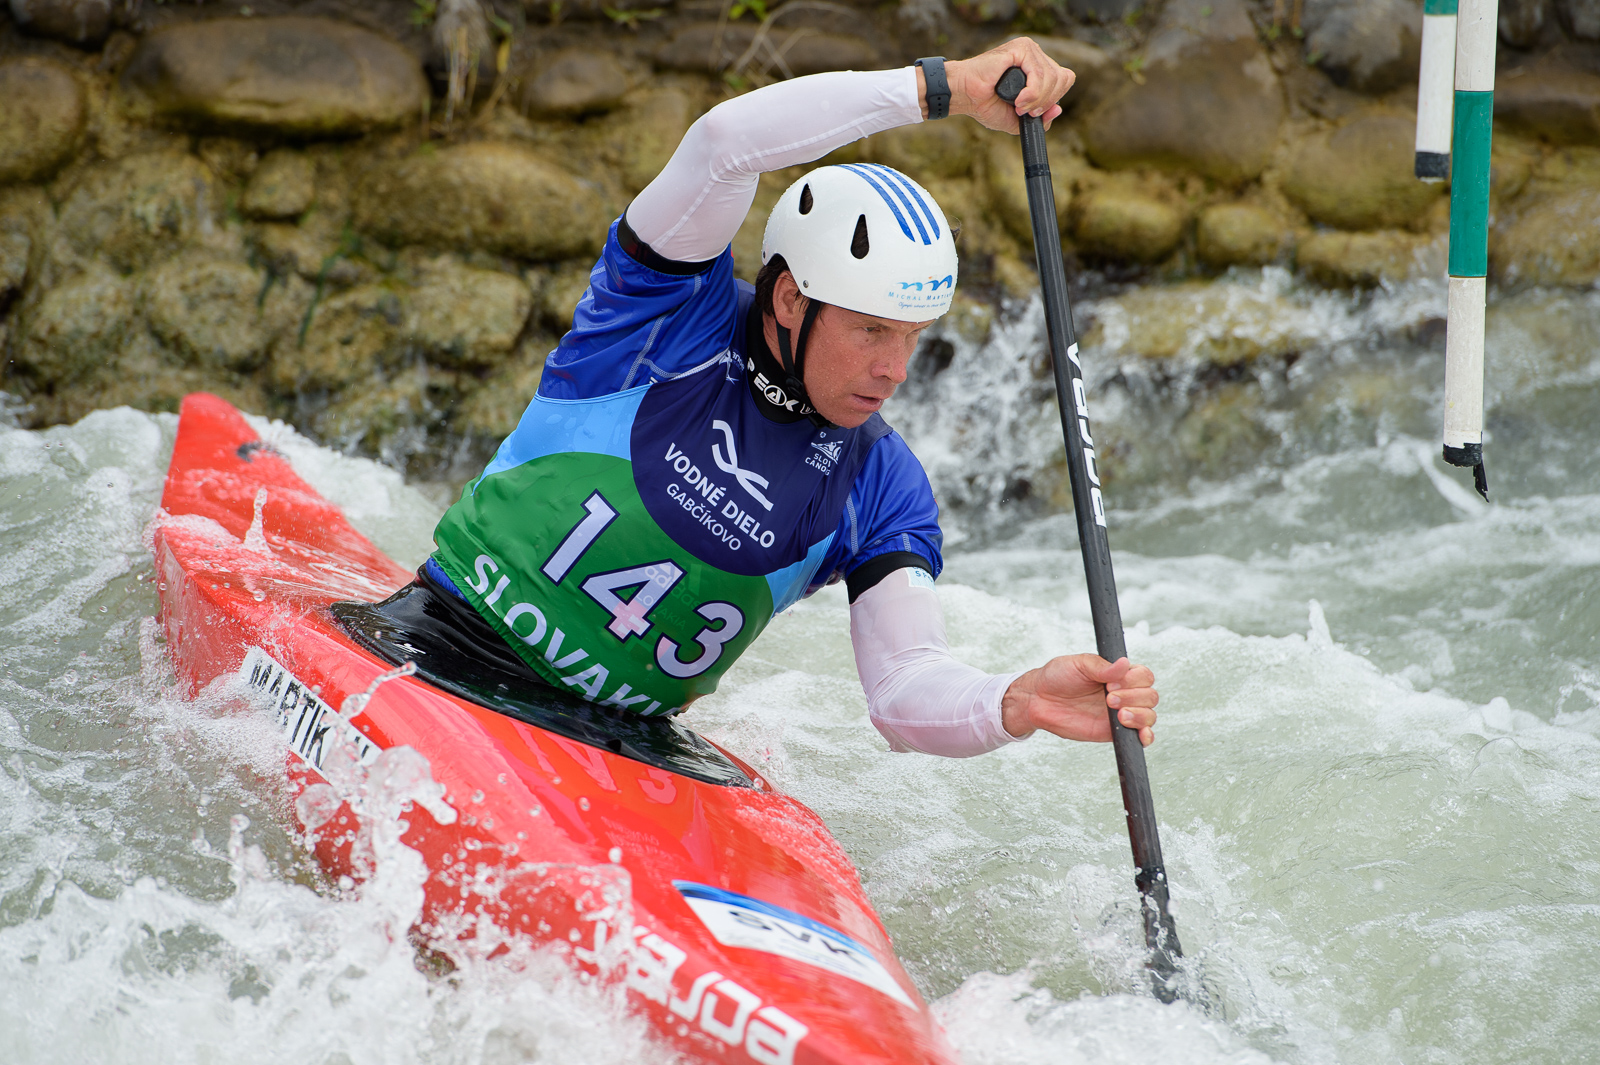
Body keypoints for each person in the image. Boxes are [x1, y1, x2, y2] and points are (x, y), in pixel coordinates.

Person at [412, 37, 1159, 757]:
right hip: (445, 643)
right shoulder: (662, 308)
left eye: (913, 336)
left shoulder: (881, 483)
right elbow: (725, 142)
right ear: (794, 300)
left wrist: (1015, 701)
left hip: (624, 745)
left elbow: (904, 687)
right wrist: (943, 87)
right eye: (871, 330)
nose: (895, 369)